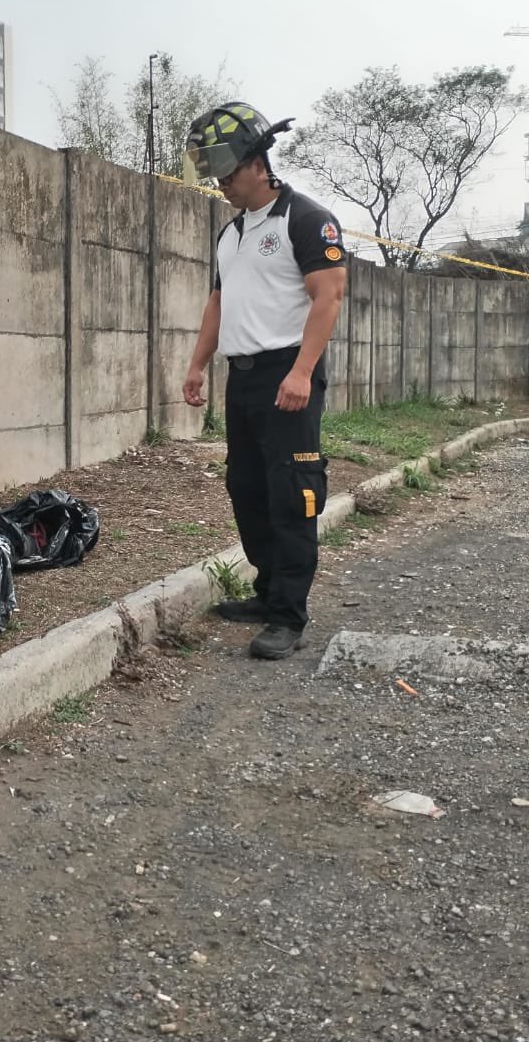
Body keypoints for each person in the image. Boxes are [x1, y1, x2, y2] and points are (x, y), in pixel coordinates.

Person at [180, 102, 348, 660]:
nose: (222, 184)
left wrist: (303, 371)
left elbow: (329, 296)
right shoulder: (231, 235)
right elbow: (219, 303)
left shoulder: (305, 219)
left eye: (228, 173)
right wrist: (198, 364)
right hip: (243, 376)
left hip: (288, 374)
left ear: (257, 163)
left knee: (292, 495)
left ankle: (288, 616)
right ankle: (266, 590)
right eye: (216, 177)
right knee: (246, 490)